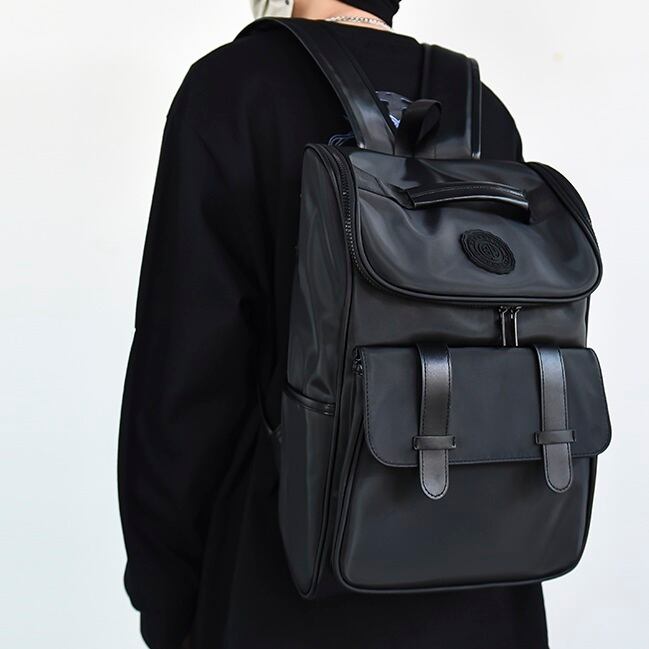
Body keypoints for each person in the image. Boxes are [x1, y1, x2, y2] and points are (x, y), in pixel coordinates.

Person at [118, 1, 549, 648]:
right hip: (488, 591)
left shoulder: (233, 89)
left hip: (280, 589)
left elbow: (182, 385)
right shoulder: (482, 110)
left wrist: (169, 603)